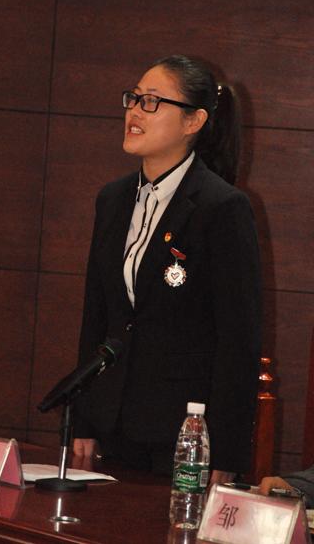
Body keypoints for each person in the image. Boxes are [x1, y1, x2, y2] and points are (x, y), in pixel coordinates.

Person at [72, 54, 261, 484]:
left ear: (193, 121)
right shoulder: (112, 199)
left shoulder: (222, 208)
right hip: (110, 424)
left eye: (152, 102)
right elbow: (96, 315)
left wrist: (223, 453)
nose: (135, 111)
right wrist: (84, 417)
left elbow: (239, 342)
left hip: (184, 437)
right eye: (134, 98)